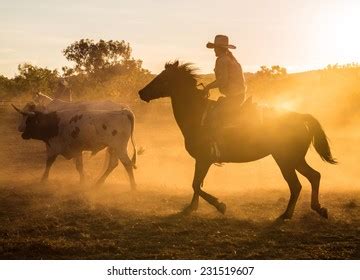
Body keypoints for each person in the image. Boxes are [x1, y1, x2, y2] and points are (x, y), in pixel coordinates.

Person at [204, 35, 246, 105]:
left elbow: (222, 81)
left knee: (214, 114)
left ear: (219, 49)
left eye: (215, 48)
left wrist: (208, 87)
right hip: (239, 96)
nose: (214, 50)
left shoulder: (222, 60)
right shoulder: (230, 59)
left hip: (234, 97)